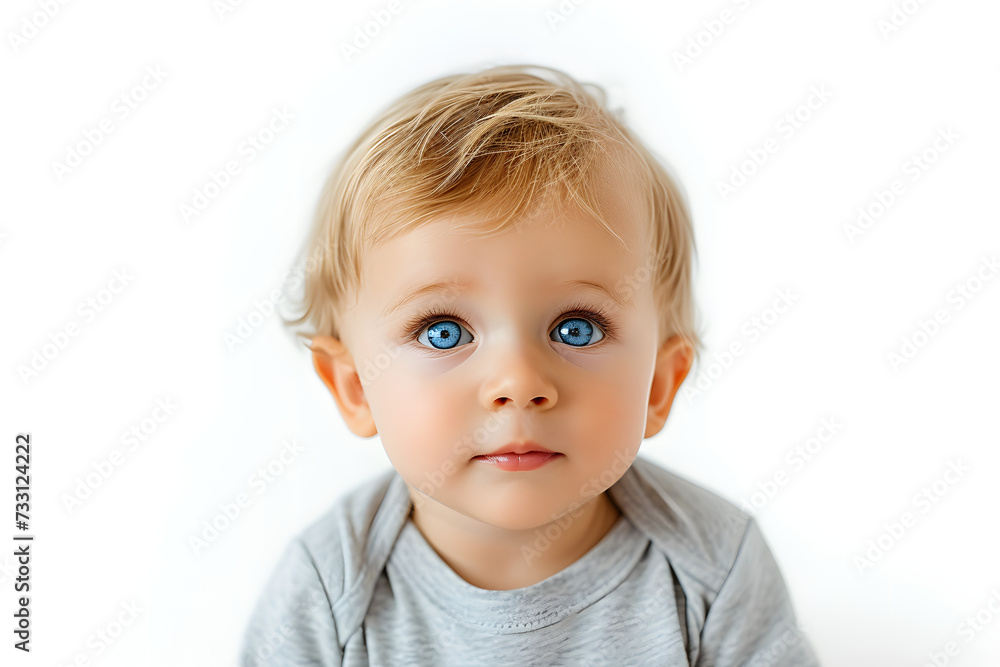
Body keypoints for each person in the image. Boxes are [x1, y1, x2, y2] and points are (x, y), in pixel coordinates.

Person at [240, 63, 820, 666]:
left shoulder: (715, 567)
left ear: (659, 385)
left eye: (577, 328)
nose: (518, 383)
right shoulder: (326, 591)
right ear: (355, 387)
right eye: (443, 333)